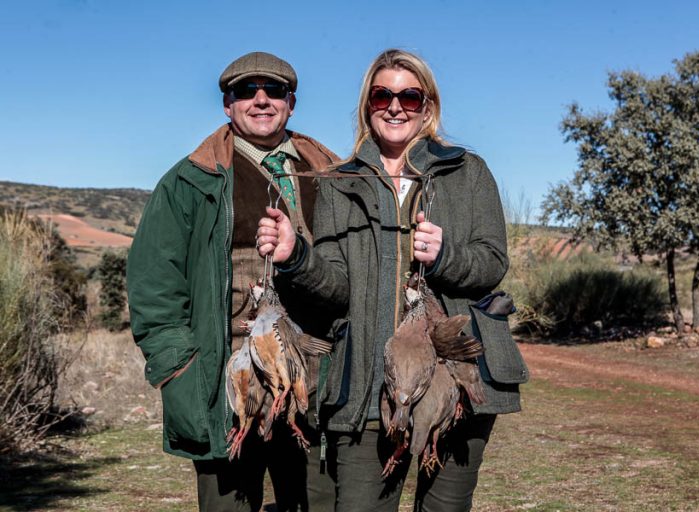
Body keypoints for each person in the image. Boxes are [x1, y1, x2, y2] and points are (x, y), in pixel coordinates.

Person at [257, 49, 528, 511]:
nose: (396, 107)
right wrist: (295, 256)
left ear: (429, 105)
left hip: (455, 383)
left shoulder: (468, 172)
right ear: (368, 106)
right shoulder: (340, 182)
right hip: (366, 384)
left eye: (409, 96)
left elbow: (491, 263)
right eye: (383, 96)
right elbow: (336, 288)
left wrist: (446, 256)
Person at [127, 51, 338, 511]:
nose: (260, 101)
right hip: (227, 379)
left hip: (315, 382)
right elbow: (153, 287)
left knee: (320, 504)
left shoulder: (333, 175)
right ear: (228, 104)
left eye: (274, 91)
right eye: (246, 91)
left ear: (292, 102)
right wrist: (180, 370)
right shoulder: (189, 182)